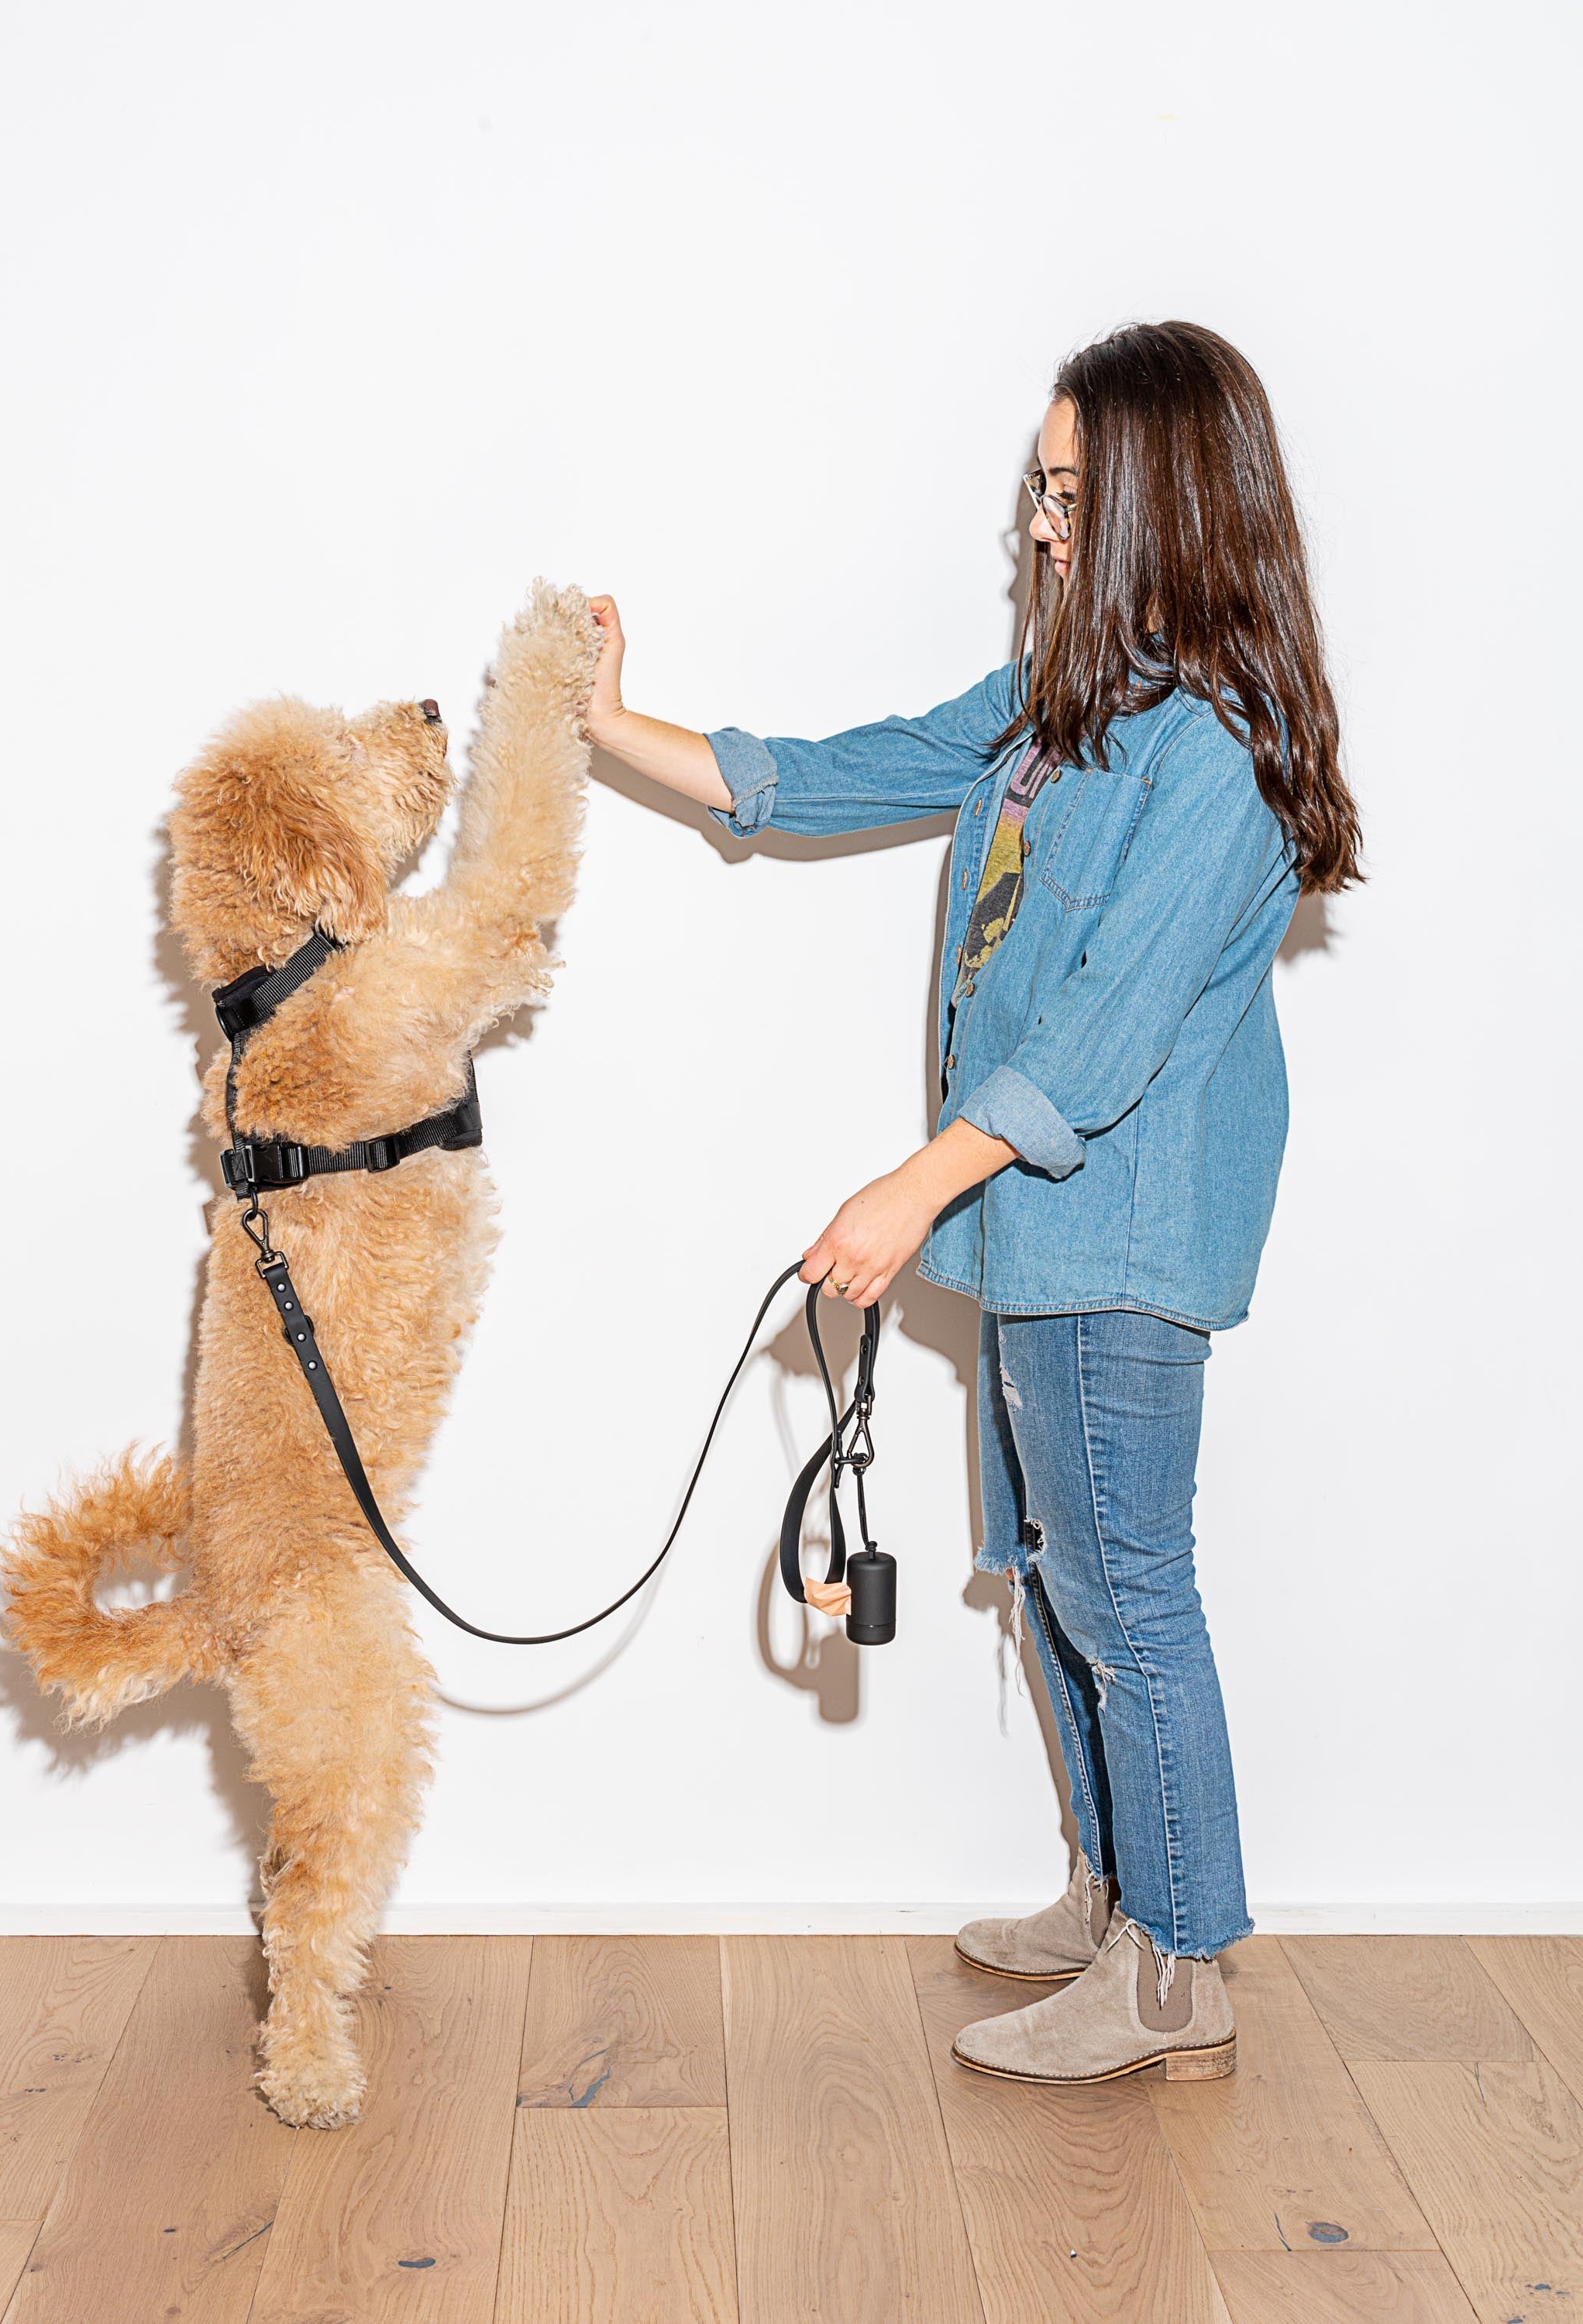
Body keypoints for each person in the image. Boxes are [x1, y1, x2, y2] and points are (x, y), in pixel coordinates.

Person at [582, 318, 1361, 2085]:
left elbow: (1101, 1036)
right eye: (1039, 487)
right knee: (1054, 1577)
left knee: (1126, 1592)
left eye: (1073, 494)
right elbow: (840, 768)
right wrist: (612, 723)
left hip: (1120, 1234)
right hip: (1032, 1229)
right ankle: (1113, 1899)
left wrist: (908, 1189)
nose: (1039, 522)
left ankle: (1174, 1970)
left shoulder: (1219, 752)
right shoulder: (1064, 702)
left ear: (1169, 502)